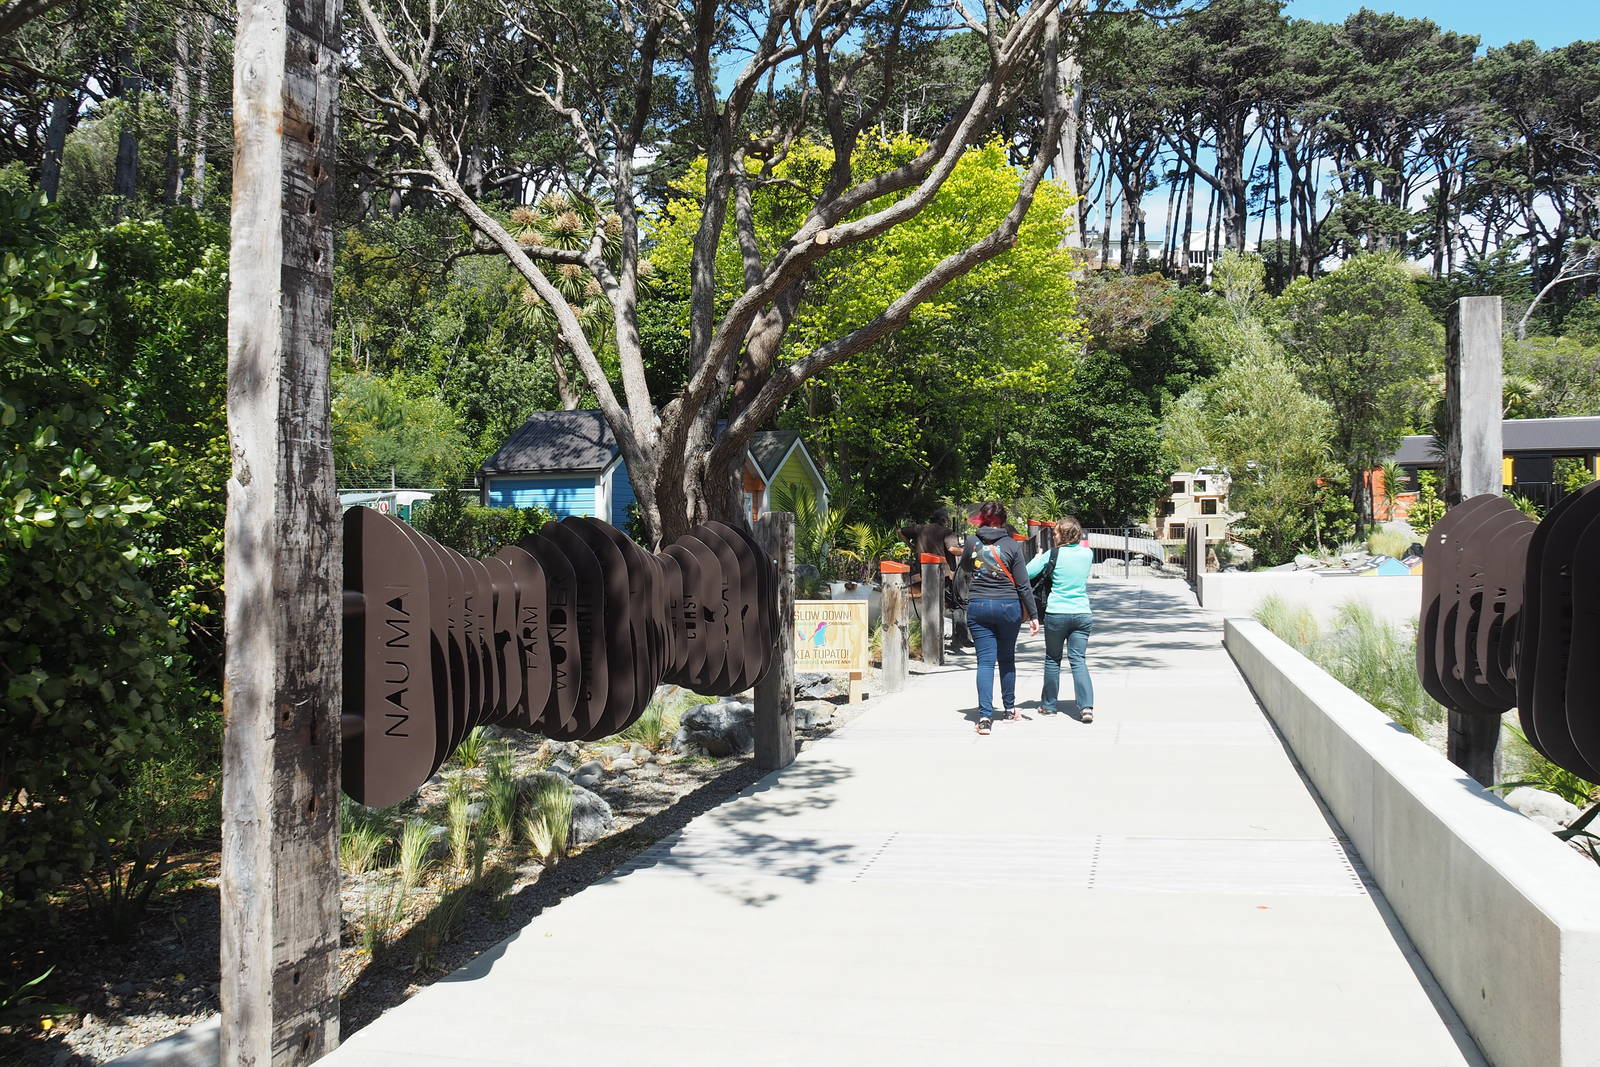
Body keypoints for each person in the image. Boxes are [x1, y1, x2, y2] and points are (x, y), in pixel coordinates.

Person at [958, 501, 1038, 734]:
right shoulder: (1012, 545)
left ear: (982, 518)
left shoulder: (973, 542)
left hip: (979, 605)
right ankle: (1010, 708)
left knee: (984, 663)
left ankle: (984, 718)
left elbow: (965, 566)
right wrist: (1033, 614)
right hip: (1008, 606)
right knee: (1006, 658)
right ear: (1003, 521)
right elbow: (1023, 585)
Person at [1025, 516, 1095, 723]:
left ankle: (1048, 705)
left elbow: (1027, 573)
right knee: (1078, 660)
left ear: (1063, 535)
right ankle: (1086, 707)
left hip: (1057, 613)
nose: (1053, 535)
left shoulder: (1052, 554)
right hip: (1082, 612)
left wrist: (1038, 557)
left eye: (1056, 532)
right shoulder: (1087, 554)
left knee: (1053, 659)